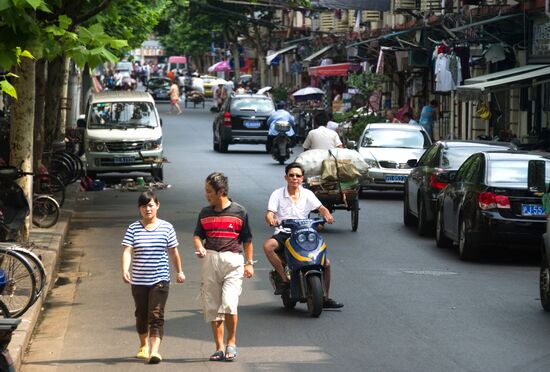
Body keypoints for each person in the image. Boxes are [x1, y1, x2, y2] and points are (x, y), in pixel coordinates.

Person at [263, 163, 344, 309]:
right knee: (268, 246)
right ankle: (284, 279)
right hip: (284, 233)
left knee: (326, 263)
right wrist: (271, 220)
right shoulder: (277, 194)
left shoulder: (307, 194)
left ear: (302, 178)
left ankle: (326, 297)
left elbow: (321, 208)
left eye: (298, 176)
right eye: (291, 175)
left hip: (305, 233)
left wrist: (327, 215)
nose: (295, 178)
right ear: (286, 177)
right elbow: (270, 213)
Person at [194, 172, 254, 362]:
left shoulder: (240, 212)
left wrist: (249, 264)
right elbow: (197, 235)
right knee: (213, 306)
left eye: (209, 191)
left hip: (232, 262)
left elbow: (247, 240)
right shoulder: (204, 213)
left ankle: (232, 342)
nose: (206, 194)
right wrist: (200, 247)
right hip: (210, 260)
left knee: (229, 303)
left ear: (221, 192)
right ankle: (219, 347)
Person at [122, 191, 186, 364]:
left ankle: (155, 352)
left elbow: (173, 251)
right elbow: (128, 250)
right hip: (139, 281)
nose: (147, 209)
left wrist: (179, 271)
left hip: (160, 279)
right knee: (141, 315)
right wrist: (125, 269)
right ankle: (144, 346)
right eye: (144, 206)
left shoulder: (167, 227)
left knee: (156, 315)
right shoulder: (133, 228)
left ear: (157, 206)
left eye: (150, 205)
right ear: (139, 209)